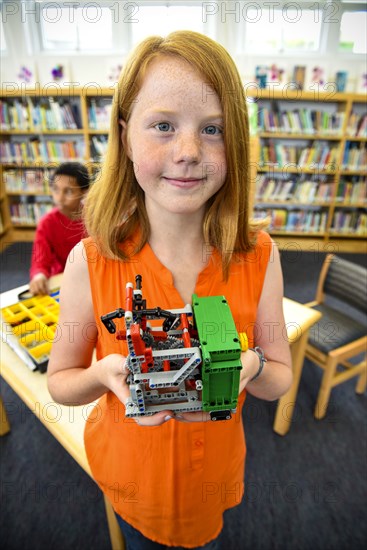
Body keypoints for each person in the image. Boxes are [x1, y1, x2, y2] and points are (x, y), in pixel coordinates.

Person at [47, 31, 292, 549]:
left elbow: (280, 377)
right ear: (126, 135)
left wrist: (251, 368)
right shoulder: (88, 262)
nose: (188, 152)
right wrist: (102, 374)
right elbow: (61, 382)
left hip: (214, 477)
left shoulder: (260, 255)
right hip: (134, 479)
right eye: (163, 126)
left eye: (213, 129)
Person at [29, 161, 90, 295]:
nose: (59, 198)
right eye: (56, 189)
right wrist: (39, 275)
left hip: (91, 277)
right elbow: (40, 258)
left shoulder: (95, 217)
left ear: (84, 192)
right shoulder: (47, 223)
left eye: (68, 191)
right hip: (61, 280)